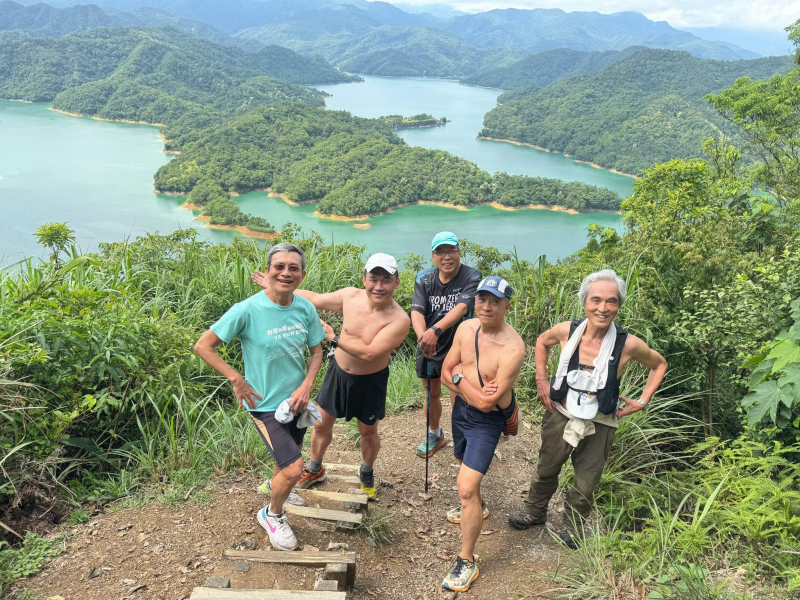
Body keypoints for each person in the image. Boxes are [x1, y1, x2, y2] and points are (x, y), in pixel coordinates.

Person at [508, 269, 668, 548]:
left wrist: (642, 401)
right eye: (595, 300)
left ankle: (574, 527)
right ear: (584, 302)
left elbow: (659, 364)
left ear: (619, 305)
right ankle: (534, 512)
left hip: (601, 420)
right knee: (547, 467)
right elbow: (542, 342)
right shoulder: (567, 331)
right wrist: (541, 379)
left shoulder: (627, 343)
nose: (603, 308)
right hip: (562, 412)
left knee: (586, 481)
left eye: (612, 301)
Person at [194, 243, 324, 552]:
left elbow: (317, 350)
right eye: (279, 266)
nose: (286, 272)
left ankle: (275, 485)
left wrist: (306, 385)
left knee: (287, 458)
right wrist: (236, 379)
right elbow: (203, 345)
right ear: (268, 271)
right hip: (264, 405)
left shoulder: (305, 308)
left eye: (293, 268)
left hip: (296, 402)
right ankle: (272, 513)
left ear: (302, 275)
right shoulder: (247, 309)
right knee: (294, 468)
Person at [253, 253, 410, 499]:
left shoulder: (400, 319)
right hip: (337, 374)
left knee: (367, 431)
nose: (379, 286)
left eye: (386, 280)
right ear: (364, 279)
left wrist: (333, 338)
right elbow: (314, 299)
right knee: (321, 424)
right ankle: (315, 468)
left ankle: (366, 471)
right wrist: (278, 286)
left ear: (396, 283)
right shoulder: (350, 296)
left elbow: (370, 354)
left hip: (370, 380)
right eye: (373, 279)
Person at [439, 276, 525, 592]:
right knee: (462, 461)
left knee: (465, 488)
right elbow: (445, 370)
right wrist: (463, 381)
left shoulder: (513, 348)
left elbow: (488, 404)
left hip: (487, 423)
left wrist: (458, 379)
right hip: (461, 412)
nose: (486, 306)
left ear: (507, 306)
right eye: (482, 299)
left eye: (494, 301)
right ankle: (480, 506)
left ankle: (467, 562)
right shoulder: (465, 329)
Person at [412, 231, 481, 458]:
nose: (447, 257)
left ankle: (463, 437)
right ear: (433, 257)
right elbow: (417, 311)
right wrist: (424, 337)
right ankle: (435, 434)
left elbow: (462, 308)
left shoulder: (471, 276)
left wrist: (434, 331)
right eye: (441, 252)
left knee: (458, 393)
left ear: (459, 253)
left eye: (451, 251)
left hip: (459, 346)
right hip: (430, 345)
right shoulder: (424, 278)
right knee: (430, 393)